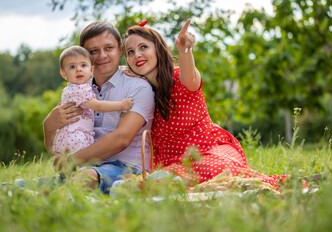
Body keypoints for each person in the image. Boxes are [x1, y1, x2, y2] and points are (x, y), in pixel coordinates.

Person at [123, 19, 289, 189]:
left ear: (158, 49)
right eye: (130, 52)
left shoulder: (180, 79)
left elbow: (191, 77)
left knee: (212, 170)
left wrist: (185, 51)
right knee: (160, 181)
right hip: (173, 168)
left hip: (210, 152)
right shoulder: (140, 94)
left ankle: (283, 184)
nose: (137, 55)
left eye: (143, 47)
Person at [43, 21, 155, 193]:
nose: (102, 55)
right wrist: (49, 125)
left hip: (127, 168)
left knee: (87, 178)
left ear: (120, 49)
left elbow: (121, 139)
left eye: (108, 48)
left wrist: (72, 161)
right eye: (93, 51)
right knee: (16, 186)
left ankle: (53, 197)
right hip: (86, 167)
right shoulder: (78, 88)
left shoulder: (138, 87)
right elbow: (57, 146)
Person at [53, 45, 133, 155]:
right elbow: (98, 106)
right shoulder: (78, 90)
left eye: (83, 65)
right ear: (63, 73)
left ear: (91, 70)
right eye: (72, 67)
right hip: (76, 136)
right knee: (81, 164)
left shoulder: (74, 87)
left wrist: (122, 69)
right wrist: (121, 105)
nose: (78, 69)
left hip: (72, 134)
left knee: (73, 167)